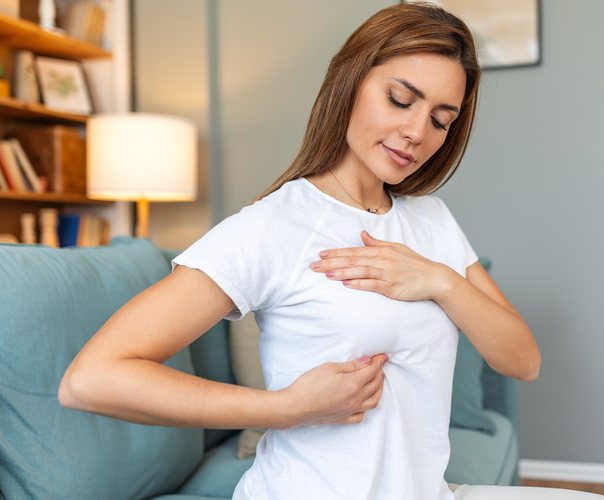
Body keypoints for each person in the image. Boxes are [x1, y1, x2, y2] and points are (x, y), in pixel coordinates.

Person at [59, 3, 541, 499]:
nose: (417, 133)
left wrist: (440, 281)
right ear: (350, 82)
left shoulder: (431, 219)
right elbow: (92, 379)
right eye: (400, 99)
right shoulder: (274, 226)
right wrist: (284, 407)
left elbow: (523, 360)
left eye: (441, 120)